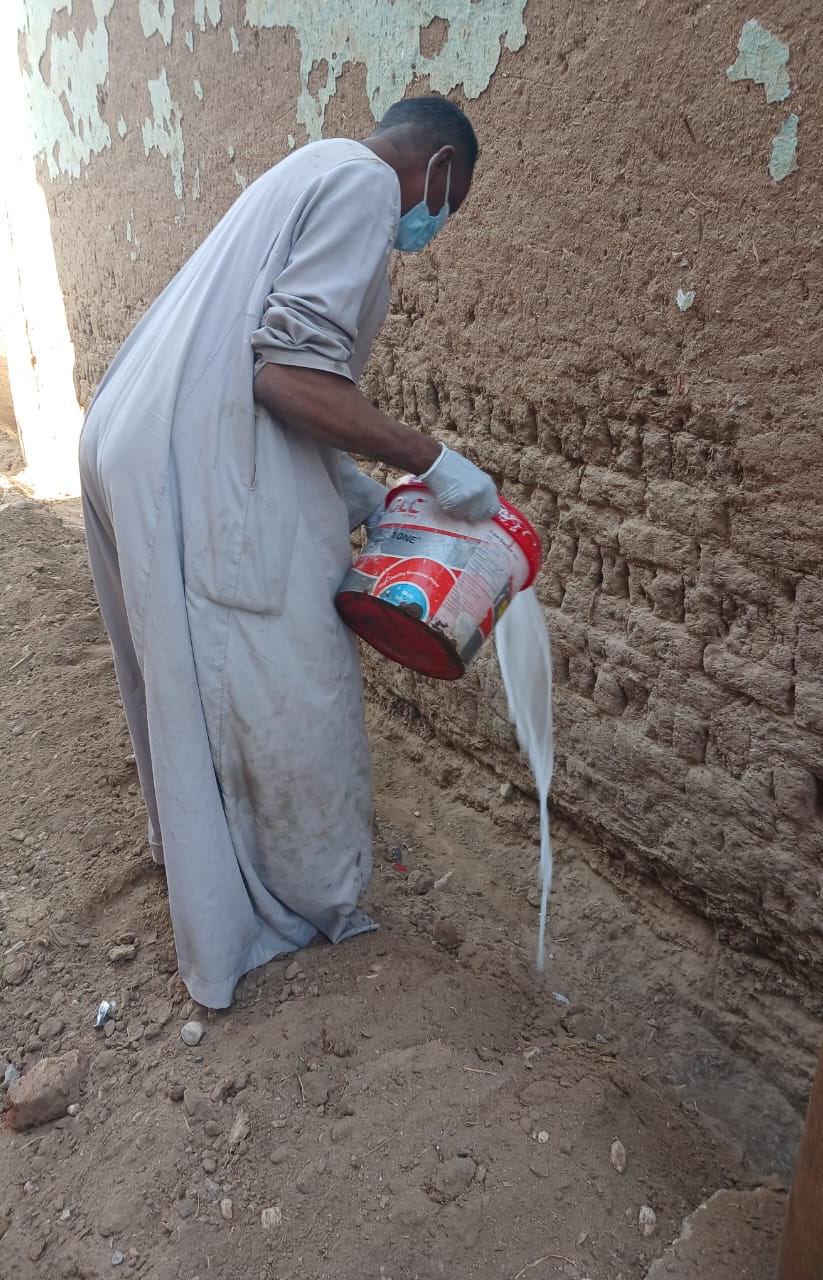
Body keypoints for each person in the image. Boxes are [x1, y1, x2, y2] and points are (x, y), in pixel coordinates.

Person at [79, 95, 498, 1008]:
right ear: (436, 166)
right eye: (449, 203)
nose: (432, 226)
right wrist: (432, 459)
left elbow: (259, 364)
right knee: (289, 682)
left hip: (136, 437)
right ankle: (299, 902)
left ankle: (213, 875)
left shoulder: (308, 166)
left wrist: (359, 492)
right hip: (194, 465)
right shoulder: (365, 188)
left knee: (187, 683)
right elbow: (288, 378)